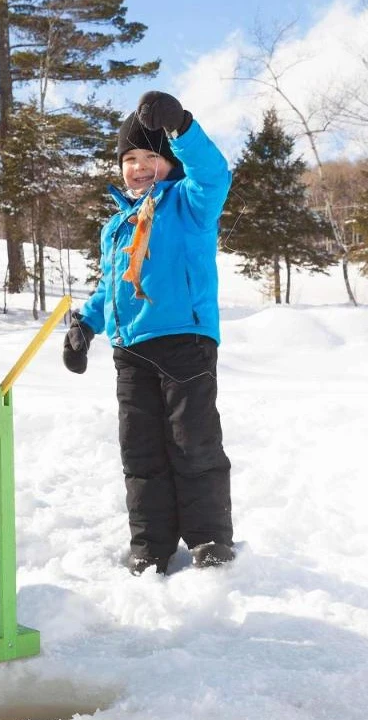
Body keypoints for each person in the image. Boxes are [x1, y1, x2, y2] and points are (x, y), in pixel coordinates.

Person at [63, 90, 235, 576]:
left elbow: (213, 173)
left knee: (192, 443)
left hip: (185, 343)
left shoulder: (189, 203)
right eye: (130, 159)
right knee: (140, 452)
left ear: (170, 159)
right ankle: (150, 543)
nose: (138, 167)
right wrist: (86, 323)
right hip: (130, 353)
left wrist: (181, 126)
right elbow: (111, 287)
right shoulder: (116, 224)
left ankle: (208, 539)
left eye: (150, 156)